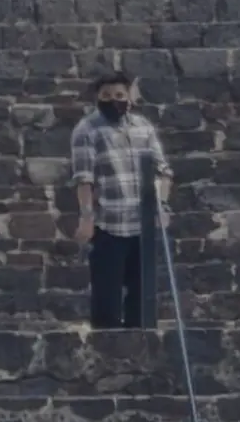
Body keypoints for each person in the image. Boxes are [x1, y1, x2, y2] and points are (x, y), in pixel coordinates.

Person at [70, 72, 172, 329]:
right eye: (106, 96)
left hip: (143, 226)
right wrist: (86, 218)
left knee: (142, 296)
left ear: (129, 98)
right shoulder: (88, 129)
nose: (113, 100)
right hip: (109, 225)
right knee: (107, 299)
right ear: (97, 98)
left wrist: (162, 204)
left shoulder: (143, 128)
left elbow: (163, 171)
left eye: (119, 95)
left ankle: (141, 352)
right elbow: (84, 178)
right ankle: (108, 356)